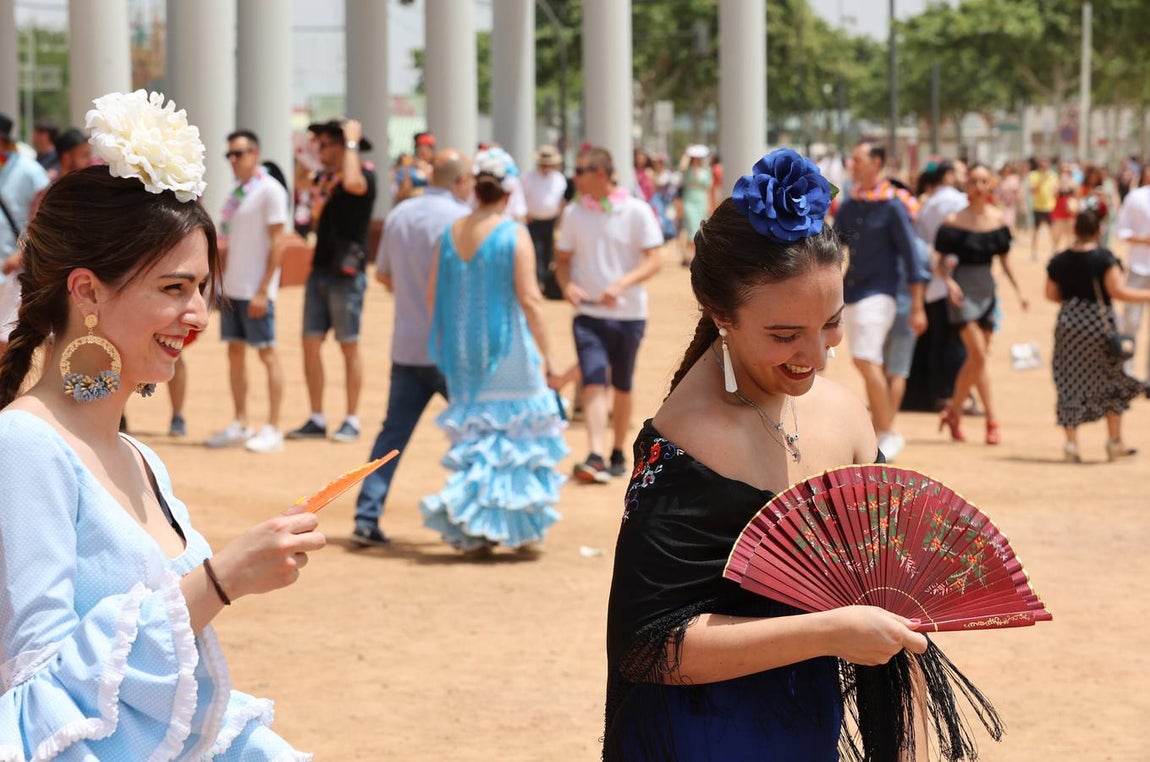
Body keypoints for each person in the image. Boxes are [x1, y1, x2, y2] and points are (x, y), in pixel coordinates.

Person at [0, 89, 323, 760]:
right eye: (174, 289)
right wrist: (221, 579)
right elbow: (37, 698)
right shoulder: (25, 445)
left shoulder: (143, 459)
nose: (199, 314)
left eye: (204, 289)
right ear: (85, 291)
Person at [603, 149, 928, 759]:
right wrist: (831, 630)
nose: (816, 354)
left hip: (808, 728)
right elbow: (646, 645)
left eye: (830, 324)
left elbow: (893, 598)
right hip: (707, 738)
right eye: (784, 336)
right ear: (720, 313)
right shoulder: (689, 440)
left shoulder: (845, 412)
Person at [420, 147, 567, 554]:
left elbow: (433, 293)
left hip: (463, 351)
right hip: (507, 348)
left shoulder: (451, 232)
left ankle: (477, 527)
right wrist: (550, 354)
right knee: (517, 433)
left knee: (478, 435)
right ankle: (512, 526)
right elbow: (530, 299)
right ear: (506, 192)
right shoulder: (512, 233)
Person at [350, 148, 474, 547]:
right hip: (452, 350)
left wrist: (413, 296)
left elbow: (383, 275)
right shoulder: (461, 220)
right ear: (459, 181)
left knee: (391, 436)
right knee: (472, 436)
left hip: (407, 343)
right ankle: (471, 519)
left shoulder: (401, 214)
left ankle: (366, 516)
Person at [555, 146, 663, 483]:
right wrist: (567, 285)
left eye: (581, 170)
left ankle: (618, 450)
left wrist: (621, 284)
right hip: (587, 315)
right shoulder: (574, 213)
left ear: (600, 173)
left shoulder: (636, 210)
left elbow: (654, 259)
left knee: (622, 384)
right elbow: (562, 260)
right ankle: (595, 453)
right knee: (593, 379)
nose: (575, 176)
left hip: (630, 315)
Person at [833, 142, 930, 461]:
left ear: (877, 163)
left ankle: (886, 431)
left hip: (882, 292)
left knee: (864, 358)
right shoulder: (849, 204)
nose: (853, 165)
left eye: (858, 160)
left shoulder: (892, 206)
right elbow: (833, 249)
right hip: (852, 292)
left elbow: (911, 258)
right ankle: (880, 429)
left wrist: (917, 304)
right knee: (867, 359)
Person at [287, 118, 376, 443]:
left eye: (325, 145)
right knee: (310, 343)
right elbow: (300, 182)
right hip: (321, 267)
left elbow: (353, 182)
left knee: (348, 344)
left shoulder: (363, 174)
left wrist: (352, 142)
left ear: (342, 147)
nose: (320, 150)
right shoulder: (324, 178)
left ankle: (352, 418)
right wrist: (306, 152)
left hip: (347, 273)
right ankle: (316, 417)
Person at [204, 130, 290, 453]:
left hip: (256, 290)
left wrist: (264, 289)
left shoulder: (270, 191)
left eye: (239, 153)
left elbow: (279, 242)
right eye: (230, 155)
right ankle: (241, 422)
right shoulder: (238, 193)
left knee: (267, 353)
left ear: (256, 153)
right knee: (235, 353)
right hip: (234, 290)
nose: (233, 160)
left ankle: (274, 427)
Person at [1047, 210, 1150, 462]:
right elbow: (1117, 291)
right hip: (1098, 325)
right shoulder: (1104, 258)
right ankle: (1114, 441)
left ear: (1075, 229)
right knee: (1111, 379)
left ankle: (1071, 445)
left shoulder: (1059, 260)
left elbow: (1051, 294)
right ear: (1099, 230)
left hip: (1069, 324)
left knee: (1068, 381)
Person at [935, 164, 1028, 444]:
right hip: (962, 291)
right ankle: (991, 419)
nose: (978, 186)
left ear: (990, 186)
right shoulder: (953, 221)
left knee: (978, 359)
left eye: (983, 181)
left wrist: (1019, 291)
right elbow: (938, 263)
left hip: (988, 290)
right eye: (973, 181)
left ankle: (954, 412)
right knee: (979, 355)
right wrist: (948, 282)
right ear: (967, 185)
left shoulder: (998, 220)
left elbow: (1006, 261)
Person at [0, 112, 50, 357]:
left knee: (6, 343)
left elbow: (45, 219)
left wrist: (23, 252)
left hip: (13, 271)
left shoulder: (31, 172)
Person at [1115, 164, 1150, 381]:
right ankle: (1127, 373)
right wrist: (1143, 240)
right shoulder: (1135, 197)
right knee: (1131, 322)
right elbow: (1122, 230)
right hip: (1138, 267)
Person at [521, 144, 569, 295]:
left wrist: (560, 221)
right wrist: (524, 214)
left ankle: (543, 281)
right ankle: (537, 281)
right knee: (535, 252)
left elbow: (562, 201)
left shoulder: (559, 179)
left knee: (548, 253)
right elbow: (520, 197)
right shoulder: (528, 178)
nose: (545, 168)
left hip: (551, 221)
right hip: (532, 221)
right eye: (543, 164)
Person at [677, 144, 712, 267]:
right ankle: (689, 255)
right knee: (691, 226)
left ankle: (694, 255)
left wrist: (709, 204)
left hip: (701, 200)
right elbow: (681, 168)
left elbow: (708, 188)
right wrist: (687, 155)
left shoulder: (706, 171)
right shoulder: (687, 170)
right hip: (689, 200)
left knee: (698, 227)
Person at [1028, 156, 1057, 260]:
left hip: (1049, 207)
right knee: (1036, 230)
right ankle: (1034, 251)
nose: (1044, 167)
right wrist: (1042, 180)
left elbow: (1055, 190)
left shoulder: (1053, 175)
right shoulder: (1033, 175)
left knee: (1052, 230)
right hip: (1038, 207)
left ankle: (1055, 249)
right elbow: (1033, 190)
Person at [395, 131, 435, 203]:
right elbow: (401, 194)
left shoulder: (437, 168)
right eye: (420, 151)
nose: (423, 155)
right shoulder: (407, 169)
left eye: (427, 151)